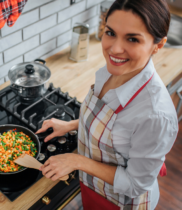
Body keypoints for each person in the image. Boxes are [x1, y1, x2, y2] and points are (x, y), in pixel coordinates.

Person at [36, 0, 179, 209]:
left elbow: (135, 184)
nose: (115, 48)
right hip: (94, 186)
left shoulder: (156, 115)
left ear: (157, 45)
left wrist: (76, 161)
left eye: (132, 39)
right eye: (111, 33)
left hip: (121, 202)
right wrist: (72, 125)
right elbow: (113, 125)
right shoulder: (111, 71)